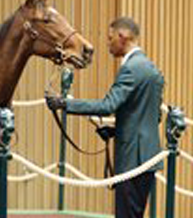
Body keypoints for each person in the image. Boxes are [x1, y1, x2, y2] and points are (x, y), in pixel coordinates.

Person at [46, 17, 164, 218]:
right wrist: (115, 131)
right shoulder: (152, 68)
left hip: (132, 159)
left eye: (110, 39)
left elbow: (108, 105)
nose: (108, 44)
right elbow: (154, 115)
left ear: (122, 37)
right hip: (147, 157)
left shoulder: (131, 69)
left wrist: (64, 104)